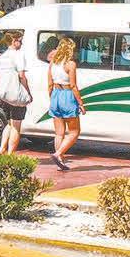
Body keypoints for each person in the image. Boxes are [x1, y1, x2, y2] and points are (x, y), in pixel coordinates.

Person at [46, 37, 84, 171]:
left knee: (59, 133)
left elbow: (49, 84)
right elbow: (73, 85)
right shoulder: (70, 64)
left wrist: (52, 98)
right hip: (67, 96)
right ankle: (58, 154)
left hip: (56, 94)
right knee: (74, 131)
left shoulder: (53, 63)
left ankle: (60, 161)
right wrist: (80, 103)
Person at [0, 40, 33, 157]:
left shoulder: (2, 57)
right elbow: (22, 76)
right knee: (16, 125)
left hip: (4, 95)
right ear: (14, 41)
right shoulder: (18, 55)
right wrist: (28, 92)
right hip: (16, 95)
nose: (22, 43)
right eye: (20, 40)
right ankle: (10, 154)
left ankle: (1, 150)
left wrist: (2, 89)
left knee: (9, 124)